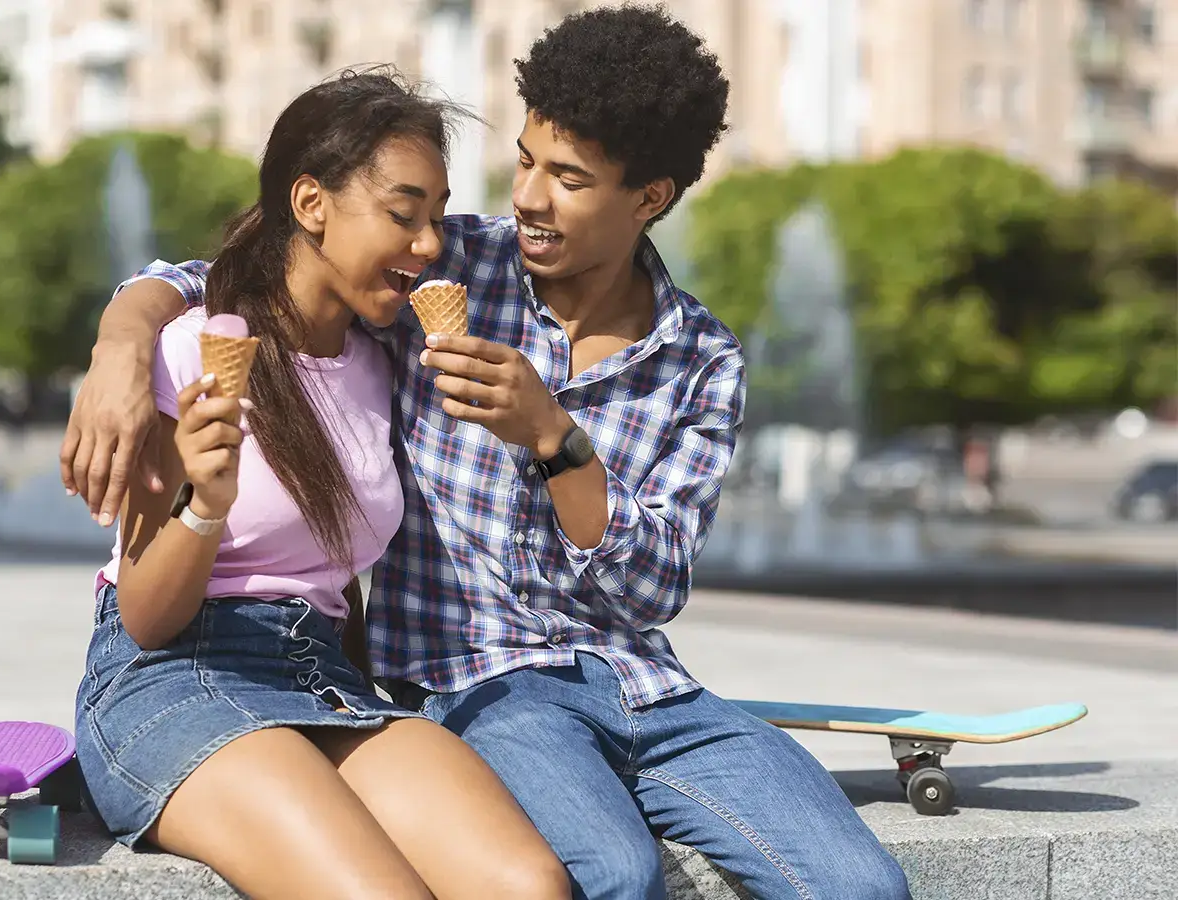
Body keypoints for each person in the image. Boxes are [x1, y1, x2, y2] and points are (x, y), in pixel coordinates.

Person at [65, 9, 911, 900]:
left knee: (860, 888)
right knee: (606, 878)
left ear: (649, 198)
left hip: (620, 682)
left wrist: (555, 438)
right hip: (458, 684)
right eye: (525, 161)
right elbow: (252, 268)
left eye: (569, 178)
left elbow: (656, 587)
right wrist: (120, 346)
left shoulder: (700, 358)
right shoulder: (447, 272)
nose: (527, 198)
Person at [73, 69, 569, 900]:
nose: (429, 246)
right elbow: (146, 618)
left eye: (438, 219)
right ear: (311, 205)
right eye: (403, 215)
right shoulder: (188, 352)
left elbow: (340, 582)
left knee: (528, 885)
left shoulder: (384, 365)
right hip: (176, 675)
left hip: (322, 677)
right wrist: (205, 504)